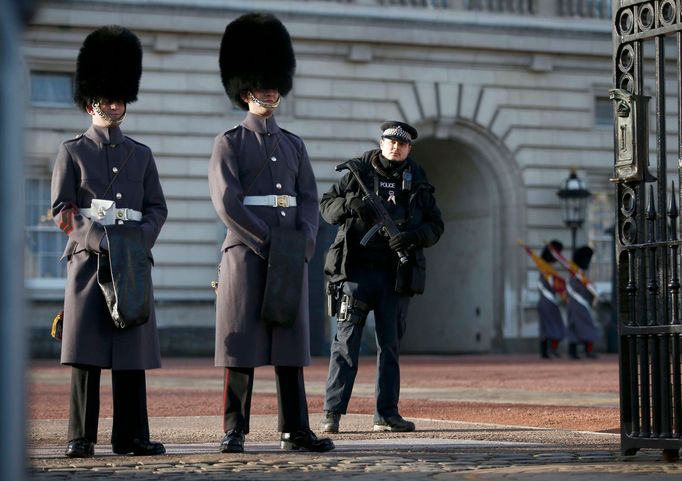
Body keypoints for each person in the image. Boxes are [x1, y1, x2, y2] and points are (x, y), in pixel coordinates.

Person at [209, 12, 334, 454]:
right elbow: (227, 201)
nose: (270, 91)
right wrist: (267, 242)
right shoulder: (230, 142)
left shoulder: (294, 144)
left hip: (287, 252)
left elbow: (309, 200)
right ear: (245, 90)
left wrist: (302, 242)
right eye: (263, 85)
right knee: (241, 347)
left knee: (289, 345)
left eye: (274, 84)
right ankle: (234, 429)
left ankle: (294, 428)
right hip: (247, 253)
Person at [51, 26, 167, 458]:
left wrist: (137, 242)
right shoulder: (72, 151)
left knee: (130, 353)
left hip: (131, 260)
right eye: (106, 98)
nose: (114, 105)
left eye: (119, 99)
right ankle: (80, 436)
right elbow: (63, 210)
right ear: (89, 101)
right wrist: (99, 239)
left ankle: (131, 435)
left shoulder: (141, 153)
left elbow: (157, 207)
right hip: (88, 261)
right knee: (86, 352)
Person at [319, 121, 444, 433]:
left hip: (395, 277)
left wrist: (413, 237)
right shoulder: (357, 174)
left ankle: (386, 413)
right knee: (346, 344)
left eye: (402, 144)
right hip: (356, 274)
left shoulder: (418, 181)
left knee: (390, 347)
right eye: (390, 142)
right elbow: (325, 206)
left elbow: (436, 226)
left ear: (409, 148)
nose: (395, 147)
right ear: (381, 142)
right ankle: (332, 413)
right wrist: (351, 204)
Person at [566, 246, 601, 359]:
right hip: (578, 305)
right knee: (581, 327)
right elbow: (574, 291)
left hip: (579, 305)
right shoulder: (575, 276)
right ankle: (576, 352)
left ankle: (582, 351)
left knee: (580, 328)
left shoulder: (581, 276)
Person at [537, 240, 567, 359]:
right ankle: (549, 350)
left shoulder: (547, 270)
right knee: (553, 326)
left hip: (546, 302)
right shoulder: (546, 271)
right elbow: (552, 286)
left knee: (547, 328)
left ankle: (547, 351)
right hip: (548, 302)